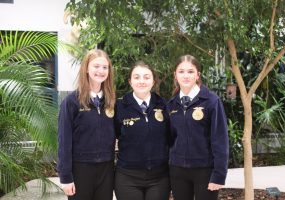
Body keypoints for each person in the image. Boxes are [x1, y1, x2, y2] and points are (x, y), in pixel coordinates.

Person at [168, 55, 229, 200]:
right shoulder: (171, 104)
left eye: (190, 71)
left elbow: (220, 140)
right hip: (178, 171)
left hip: (205, 170)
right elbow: (169, 139)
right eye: (181, 71)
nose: (186, 76)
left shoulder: (212, 101)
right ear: (175, 75)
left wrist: (219, 175)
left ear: (198, 75)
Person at [57, 49, 116, 200]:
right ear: (86, 69)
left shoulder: (111, 102)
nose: (101, 71)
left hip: (106, 169)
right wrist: (66, 177)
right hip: (80, 169)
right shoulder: (71, 102)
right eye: (96, 66)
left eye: (105, 67)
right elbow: (64, 142)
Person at [114, 61, 170, 200]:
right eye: (137, 77)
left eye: (146, 77)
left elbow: (172, 137)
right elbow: (111, 136)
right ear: (130, 81)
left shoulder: (164, 105)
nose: (141, 81)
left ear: (153, 81)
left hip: (159, 178)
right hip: (127, 178)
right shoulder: (119, 106)